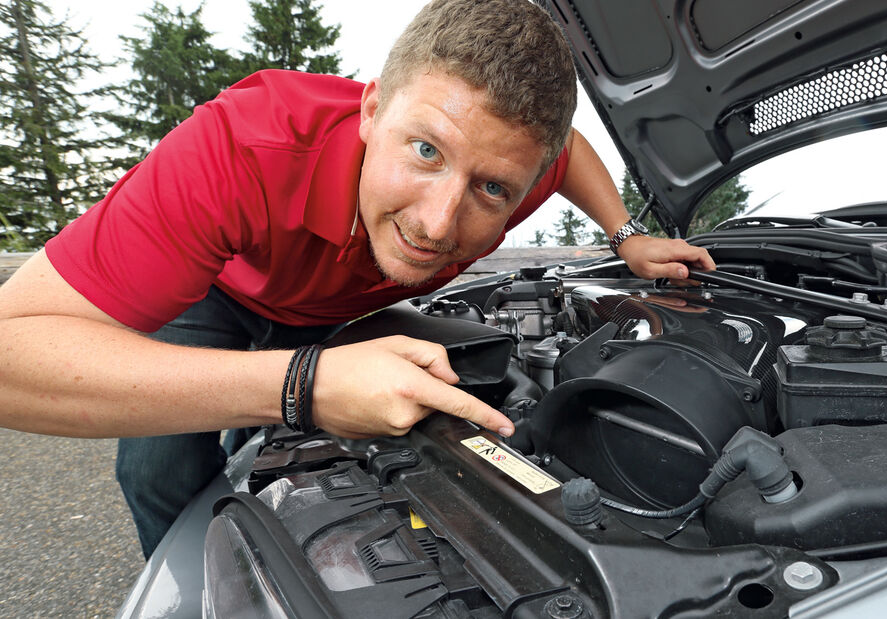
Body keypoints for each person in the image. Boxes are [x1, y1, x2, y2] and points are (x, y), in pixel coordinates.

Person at [0, 0, 715, 558]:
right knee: (157, 470)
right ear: (371, 110)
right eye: (426, 149)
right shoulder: (242, 148)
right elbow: (10, 356)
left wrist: (628, 238)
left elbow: (572, 151)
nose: (437, 224)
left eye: (491, 189)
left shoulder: (509, 158)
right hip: (217, 290)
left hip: (329, 311)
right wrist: (302, 385)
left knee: (265, 456)